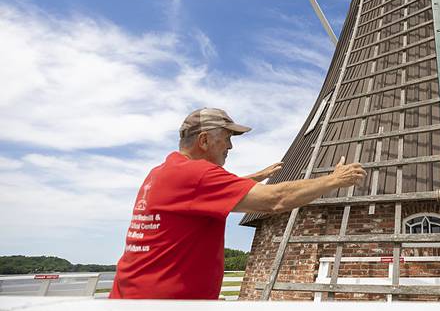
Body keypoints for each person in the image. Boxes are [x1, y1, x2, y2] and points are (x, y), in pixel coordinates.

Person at [109, 107, 366, 299]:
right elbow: (275, 200)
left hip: (131, 297)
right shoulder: (198, 174)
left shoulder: (162, 172)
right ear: (205, 140)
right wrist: (334, 180)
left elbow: (200, 195)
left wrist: (255, 176)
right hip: (164, 305)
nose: (230, 145)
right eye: (227, 137)